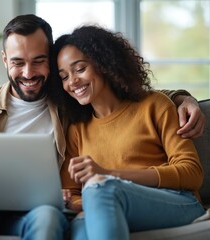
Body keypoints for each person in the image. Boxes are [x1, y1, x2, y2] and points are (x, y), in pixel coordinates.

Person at [0, 14, 205, 240]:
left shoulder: (70, 109)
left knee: (64, 208)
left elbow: (136, 100)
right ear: (5, 61)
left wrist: (183, 97)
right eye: (18, 62)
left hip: (44, 211)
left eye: (39, 62)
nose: (28, 73)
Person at [51, 25, 206, 240]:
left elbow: (192, 173)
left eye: (79, 69)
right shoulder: (77, 129)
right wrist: (69, 201)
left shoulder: (155, 105)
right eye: (64, 76)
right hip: (107, 202)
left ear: (103, 64)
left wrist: (108, 175)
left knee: (100, 189)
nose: (72, 82)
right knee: (81, 226)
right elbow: (74, 194)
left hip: (177, 201)